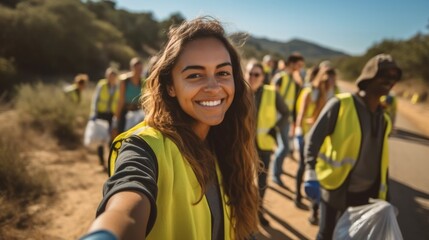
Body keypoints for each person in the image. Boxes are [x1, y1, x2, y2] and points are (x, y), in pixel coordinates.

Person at [81, 16, 260, 240]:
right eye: (195, 75)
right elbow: (126, 205)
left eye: (223, 73)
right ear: (171, 87)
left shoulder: (225, 142)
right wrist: (107, 235)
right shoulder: (145, 147)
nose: (214, 88)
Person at [303, 53, 402, 239]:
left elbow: (382, 160)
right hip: (335, 188)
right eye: (384, 75)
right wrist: (310, 172)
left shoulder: (384, 119)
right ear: (369, 77)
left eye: (393, 78)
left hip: (366, 194)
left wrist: (385, 193)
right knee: (326, 234)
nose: (389, 81)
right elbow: (313, 140)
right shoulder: (340, 104)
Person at [245, 61, 289, 226]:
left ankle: (259, 211)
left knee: (262, 182)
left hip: (264, 145)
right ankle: (244, 214)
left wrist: (275, 128)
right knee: (243, 180)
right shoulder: (238, 92)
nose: (252, 77)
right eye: (250, 73)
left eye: (256, 74)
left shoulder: (272, 93)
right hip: (242, 145)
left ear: (262, 77)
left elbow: (285, 112)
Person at [294, 66, 334, 223]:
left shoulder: (332, 94)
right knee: (303, 166)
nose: (331, 81)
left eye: (333, 78)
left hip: (324, 140)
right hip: (307, 137)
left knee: (318, 172)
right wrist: (297, 132)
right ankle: (297, 195)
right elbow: (301, 114)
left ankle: (314, 209)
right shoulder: (310, 92)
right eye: (329, 78)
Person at [271, 53, 305, 186]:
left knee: (283, 147)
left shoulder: (293, 79)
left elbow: (295, 101)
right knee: (284, 147)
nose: (301, 67)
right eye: (299, 64)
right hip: (278, 118)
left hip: (287, 118)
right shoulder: (280, 78)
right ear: (291, 63)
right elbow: (272, 98)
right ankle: (275, 174)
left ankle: (277, 171)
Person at [89, 67, 119, 168]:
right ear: (107, 76)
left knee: (111, 138)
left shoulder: (117, 87)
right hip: (101, 114)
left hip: (111, 115)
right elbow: (95, 99)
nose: (112, 78)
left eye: (113, 76)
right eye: (110, 76)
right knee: (101, 139)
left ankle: (112, 160)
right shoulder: (102, 85)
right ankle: (101, 161)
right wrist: (93, 113)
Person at [112, 57, 145, 137]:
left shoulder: (143, 82)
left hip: (138, 113)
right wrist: (117, 117)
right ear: (131, 68)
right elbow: (121, 99)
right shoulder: (125, 81)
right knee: (122, 134)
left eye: (140, 69)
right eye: (136, 68)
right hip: (125, 112)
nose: (138, 71)